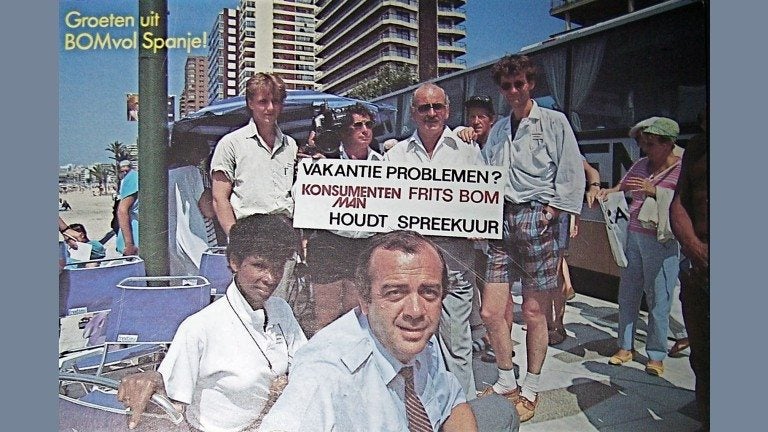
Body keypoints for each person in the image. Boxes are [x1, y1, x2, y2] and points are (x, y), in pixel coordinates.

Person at [258, 230, 519, 432]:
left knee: (501, 410)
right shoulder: (325, 375)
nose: (415, 311)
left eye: (429, 292)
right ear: (364, 300)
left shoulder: (416, 336)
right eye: (395, 293)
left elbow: (451, 402)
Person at [117, 214, 307, 431]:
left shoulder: (281, 310)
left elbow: (306, 364)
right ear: (234, 262)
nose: (271, 278)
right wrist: (150, 379)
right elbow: (168, 393)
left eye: (278, 267)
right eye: (259, 266)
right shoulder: (199, 327)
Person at [478, 54, 585, 422]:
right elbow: (484, 172)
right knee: (491, 311)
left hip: (536, 217)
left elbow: (571, 171)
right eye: (507, 86)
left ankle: (532, 388)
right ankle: (506, 380)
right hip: (501, 220)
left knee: (535, 312)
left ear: (531, 84)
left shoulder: (554, 122)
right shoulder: (498, 129)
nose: (513, 91)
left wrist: (551, 212)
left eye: (519, 84)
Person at [385, 83, 484, 400]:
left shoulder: (468, 150)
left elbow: (485, 199)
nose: (431, 113)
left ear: (447, 111)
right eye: (424, 108)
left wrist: (480, 221)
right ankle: (417, 404)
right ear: (413, 113)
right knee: (412, 338)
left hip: (455, 261)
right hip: (412, 265)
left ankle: (462, 407)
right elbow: (382, 203)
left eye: (437, 107)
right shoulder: (396, 154)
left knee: (457, 341)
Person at [597, 117, 682, 378]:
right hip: (633, 237)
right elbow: (620, 188)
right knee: (628, 294)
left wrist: (655, 192)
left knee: (659, 299)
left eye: (651, 144)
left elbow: (686, 203)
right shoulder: (641, 165)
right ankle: (625, 346)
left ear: (668, 144)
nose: (646, 149)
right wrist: (606, 193)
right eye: (643, 143)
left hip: (661, 241)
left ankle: (656, 354)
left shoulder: (682, 169)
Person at [301, 103, 385, 332]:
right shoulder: (324, 162)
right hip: (330, 243)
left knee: (355, 316)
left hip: (364, 244)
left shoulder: (383, 164)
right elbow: (306, 201)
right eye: (358, 125)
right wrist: (313, 168)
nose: (365, 130)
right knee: (325, 315)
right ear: (344, 130)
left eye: (368, 125)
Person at [210, 72, 298, 239]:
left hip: (286, 233)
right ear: (250, 103)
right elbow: (219, 198)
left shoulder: (291, 145)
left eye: (276, 101)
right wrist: (236, 240)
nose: (270, 108)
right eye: (263, 101)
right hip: (249, 233)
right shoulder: (231, 143)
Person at [670, 108, 708, 430]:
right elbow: (680, 202)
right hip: (700, 269)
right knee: (704, 356)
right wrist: (695, 247)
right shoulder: (697, 148)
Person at [549, 158, 602, 345]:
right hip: (532, 211)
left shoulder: (565, 148)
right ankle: (546, 322)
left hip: (558, 213)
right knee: (538, 276)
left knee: (555, 273)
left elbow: (590, 172)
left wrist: (594, 187)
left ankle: (557, 324)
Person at [168, 134, 216, 275]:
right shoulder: (195, 173)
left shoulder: (164, 174)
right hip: (197, 239)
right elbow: (208, 210)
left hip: (172, 243)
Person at [116, 159, 139, 256]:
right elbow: (122, 210)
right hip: (134, 242)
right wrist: (129, 244)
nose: (125, 171)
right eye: (122, 169)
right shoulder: (133, 177)